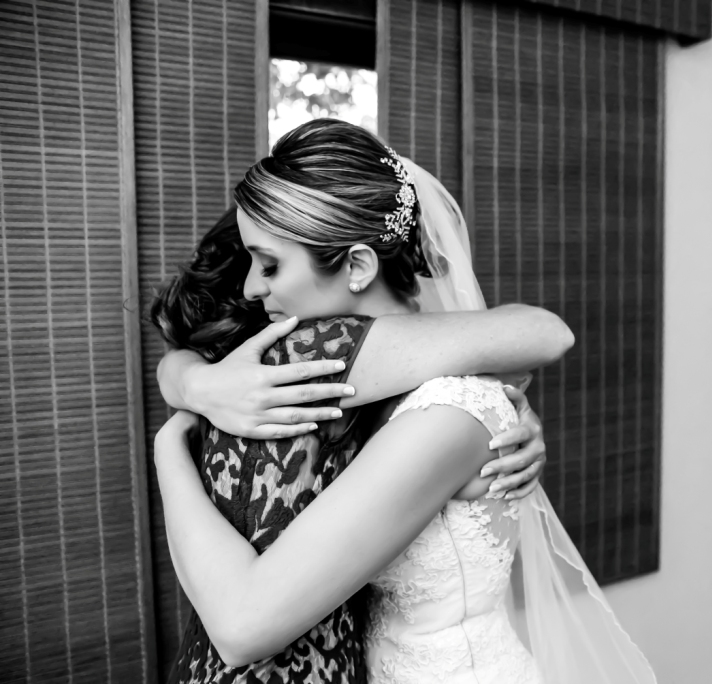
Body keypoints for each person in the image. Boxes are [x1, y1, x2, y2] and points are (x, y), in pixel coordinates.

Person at [155, 119, 655, 683]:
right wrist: (192, 382)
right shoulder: (344, 377)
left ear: (359, 265)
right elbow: (182, 357)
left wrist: (169, 448)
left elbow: (244, 626)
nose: (251, 287)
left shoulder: (445, 410)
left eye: (270, 265)